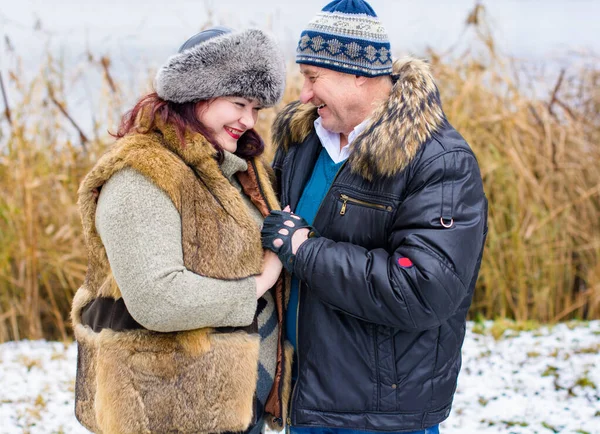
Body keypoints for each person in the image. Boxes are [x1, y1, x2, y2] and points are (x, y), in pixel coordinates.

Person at [261, 1, 488, 433]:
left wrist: (302, 249)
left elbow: (424, 288)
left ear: (357, 74)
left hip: (382, 416)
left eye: (313, 78)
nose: (304, 94)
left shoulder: (439, 160)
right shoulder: (303, 141)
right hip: (305, 400)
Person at [70, 26, 292, 434]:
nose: (248, 120)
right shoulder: (142, 175)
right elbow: (159, 298)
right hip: (163, 408)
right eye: (238, 102)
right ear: (196, 93)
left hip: (230, 405)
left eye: (257, 108)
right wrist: (261, 281)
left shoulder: (236, 170)